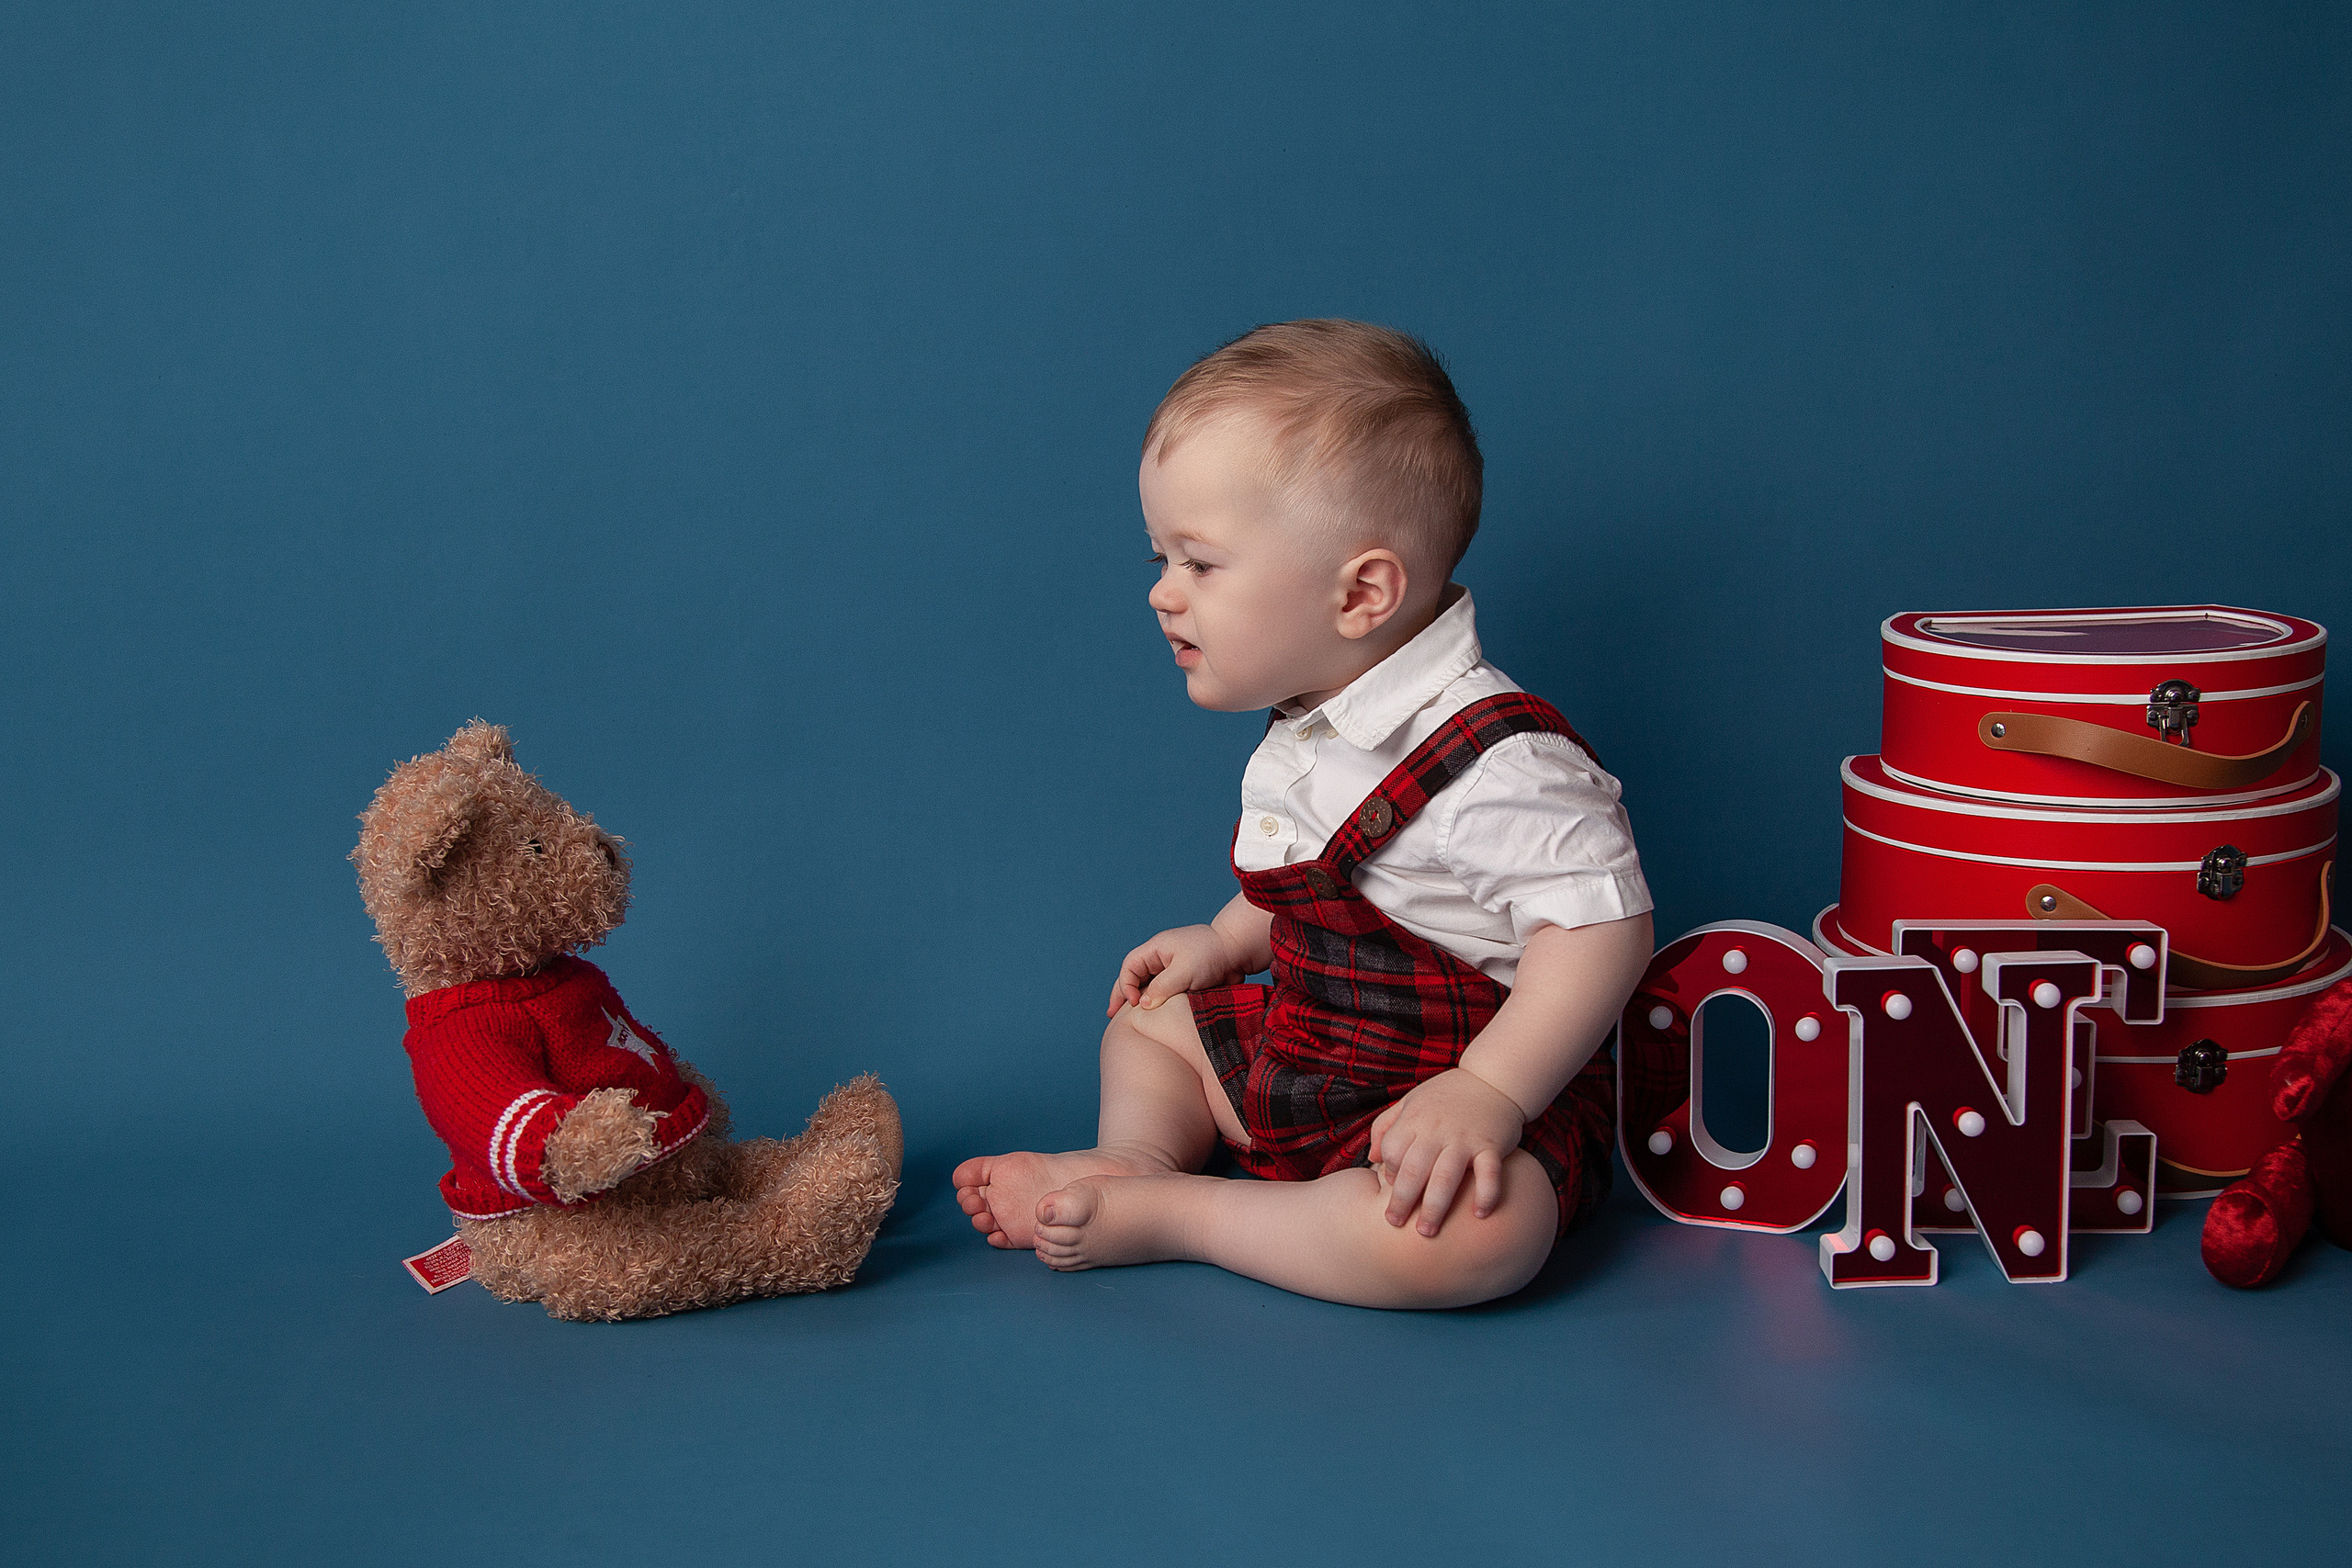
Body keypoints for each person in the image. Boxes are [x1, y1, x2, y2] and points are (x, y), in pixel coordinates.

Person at [954, 320, 1654, 1308]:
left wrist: (1489, 1093)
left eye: (1199, 563)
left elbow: (1603, 934)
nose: (1162, 594)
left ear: (1362, 591)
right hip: (1320, 1046)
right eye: (1158, 558)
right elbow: (1319, 884)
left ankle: (1182, 1216)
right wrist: (1226, 939)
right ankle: (1136, 1159)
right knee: (1152, 1023)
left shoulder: (1501, 763)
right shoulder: (1316, 713)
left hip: (1451, 1086)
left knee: (1475, 1239)